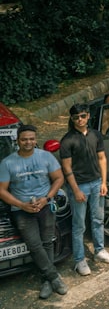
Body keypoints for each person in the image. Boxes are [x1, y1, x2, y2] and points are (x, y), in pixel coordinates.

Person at [0, 125, 68, 298]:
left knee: (47, 242)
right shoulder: (8, 162)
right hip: (21, 210)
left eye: (31, 138)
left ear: (35, 139)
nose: (28, 142)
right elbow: (2, 190)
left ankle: (46, 281)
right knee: (34, 245)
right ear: (17, 140)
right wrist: (22, 205)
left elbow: (59, 178)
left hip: (45, 206)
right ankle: (54, 277)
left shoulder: (46, 157)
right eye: (24, 139)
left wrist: (46, 198)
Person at [59, 104, 109, 276]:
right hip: (79, 186)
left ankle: (99, 251)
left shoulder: (95, 135)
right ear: (72, 119)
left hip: (97, 182)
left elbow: (102, 158)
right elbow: (67, 168)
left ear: (88, 116)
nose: (80, 120)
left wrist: (104, 182)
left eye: (83, 116)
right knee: (79, 225)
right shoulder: (67, 140)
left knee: (98, 219)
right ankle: (79, 260)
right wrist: (76, 190)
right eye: (76, 117)